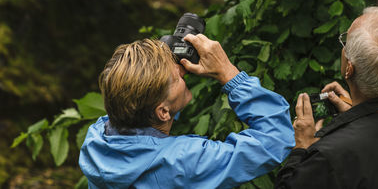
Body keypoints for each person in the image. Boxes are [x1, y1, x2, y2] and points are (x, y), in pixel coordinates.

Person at [79, 33, 295, 188]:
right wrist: (229, 74)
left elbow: (138, 107)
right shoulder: (183, 161)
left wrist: (160, 72)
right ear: (162, 112)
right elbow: (274, 138)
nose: (181, 70)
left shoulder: (98, 138)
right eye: (176, 78)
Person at [275, 6, 378, 189]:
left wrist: (300, 148)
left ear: (349, 68)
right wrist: (357, 116)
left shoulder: (327, 157)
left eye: (345, 41)